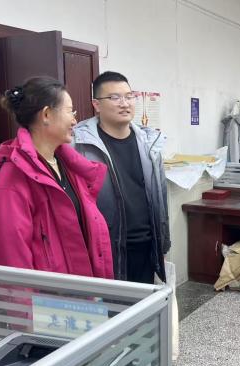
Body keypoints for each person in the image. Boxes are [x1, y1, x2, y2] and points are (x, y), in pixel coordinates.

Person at [0, 76, 113, 279]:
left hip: (83, 292)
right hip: (49, 298)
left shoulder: (70, 167)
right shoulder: (6, 183)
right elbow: (12, 273)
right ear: (47, 114)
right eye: (70, 111)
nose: (75, 120)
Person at [73, 71, 170, 283]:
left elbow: (161, 195)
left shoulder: (150, 143)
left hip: (146, 246)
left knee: (145, 303)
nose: (124, 103)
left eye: (129, 96)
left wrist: (163, 244)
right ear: (96, 105)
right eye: (115, 97)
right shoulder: (79, 145)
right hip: (104, 250)